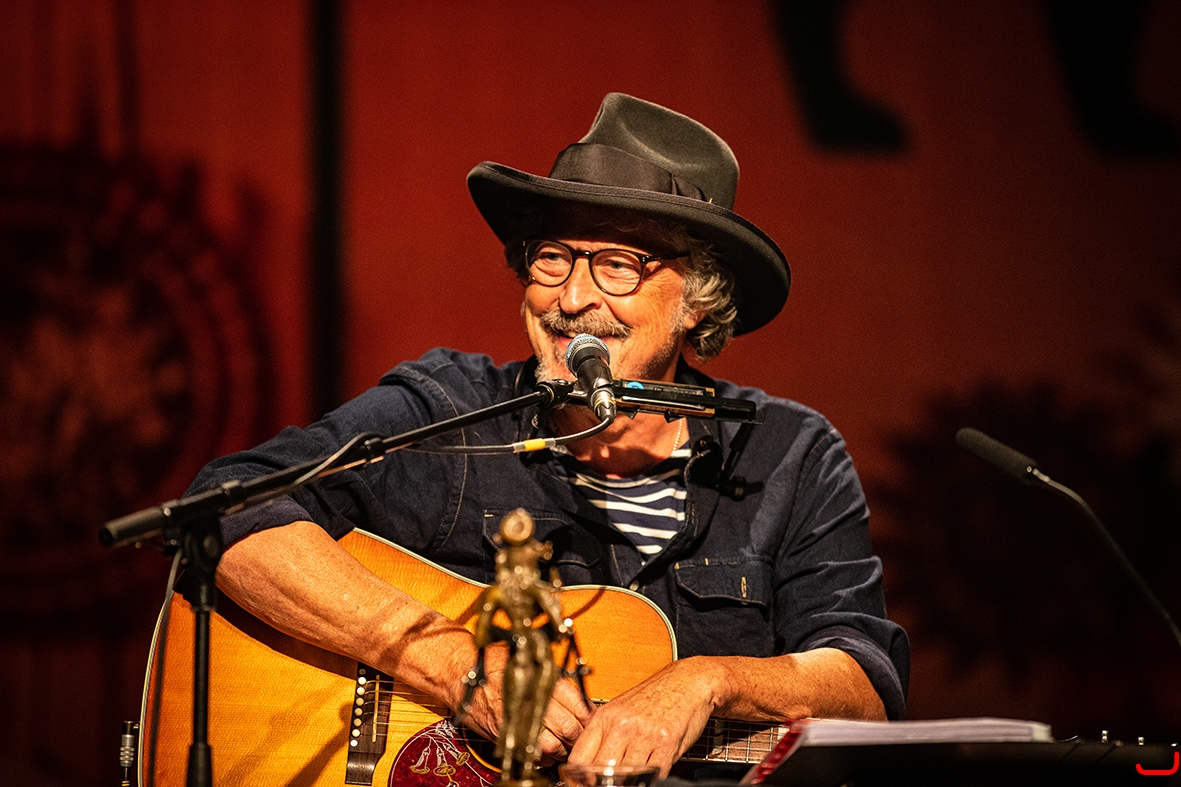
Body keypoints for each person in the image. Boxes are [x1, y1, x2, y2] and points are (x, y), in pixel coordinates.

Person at [193, 92, 909, 778]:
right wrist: (446, 660)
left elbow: (864, 683)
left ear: (697, 299)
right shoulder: (449, 408)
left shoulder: (789, 455)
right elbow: (229, 508)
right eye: (552, 257)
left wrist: (706, 681)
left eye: (618, 265)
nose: (570, 297)